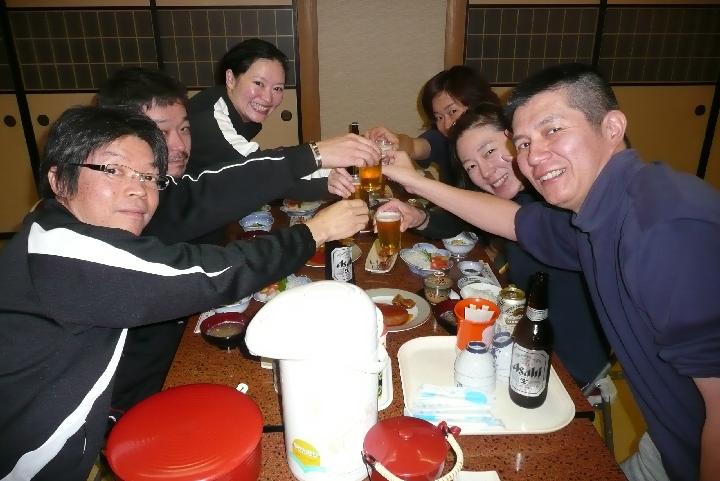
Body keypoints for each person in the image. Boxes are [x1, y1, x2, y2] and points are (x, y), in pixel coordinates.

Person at [382, 63, 719, 481]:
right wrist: (413, 183)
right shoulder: (591, 217)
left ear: (612, 127)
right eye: (523, 143)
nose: (534, 156)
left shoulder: (667, 226)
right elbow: (512, 220)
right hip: (669, 443)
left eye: (553, 130)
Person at [0, 106, 367, 481]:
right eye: (113, 169)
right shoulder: (64, 251)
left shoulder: (49, 229)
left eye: (148, 176)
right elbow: (206, 274)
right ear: (59, 179)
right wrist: (314, 232)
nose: (137, 189)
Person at [95, 67, 380, 418]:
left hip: (174, 344)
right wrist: (313, 226)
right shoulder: (117, 209)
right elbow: (208, 228)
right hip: (133, 394)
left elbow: (210, 190)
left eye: (184, 128)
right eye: (160, 131)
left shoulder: (158, 186)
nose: (178, 145)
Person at [378, 103, 610, 388]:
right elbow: (464, 221)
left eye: (489, 151)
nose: (486, 171)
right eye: (471, 166)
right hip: (519, 343)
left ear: (517, 139)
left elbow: (517, 221)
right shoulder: (521, 197)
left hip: (562, 369)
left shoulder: (561, 202)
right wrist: (420, 216)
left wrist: (416, 182)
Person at [186, 38, 357, 199]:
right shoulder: (211, 117)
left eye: (277, 88)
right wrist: (321, 159)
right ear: (231, 79)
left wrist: (338, 171)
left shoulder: (229, 106)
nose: (268, 98)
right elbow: (260, 170)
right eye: (258, 83)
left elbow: (262, 167)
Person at [367, 65, 499, 184]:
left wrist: (417, 183)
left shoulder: (502, 140)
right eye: (439, 117)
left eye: (452, 111)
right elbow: (412, 146)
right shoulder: (445, 139)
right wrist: (394, 141)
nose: (446, 125)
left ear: (477, 104)